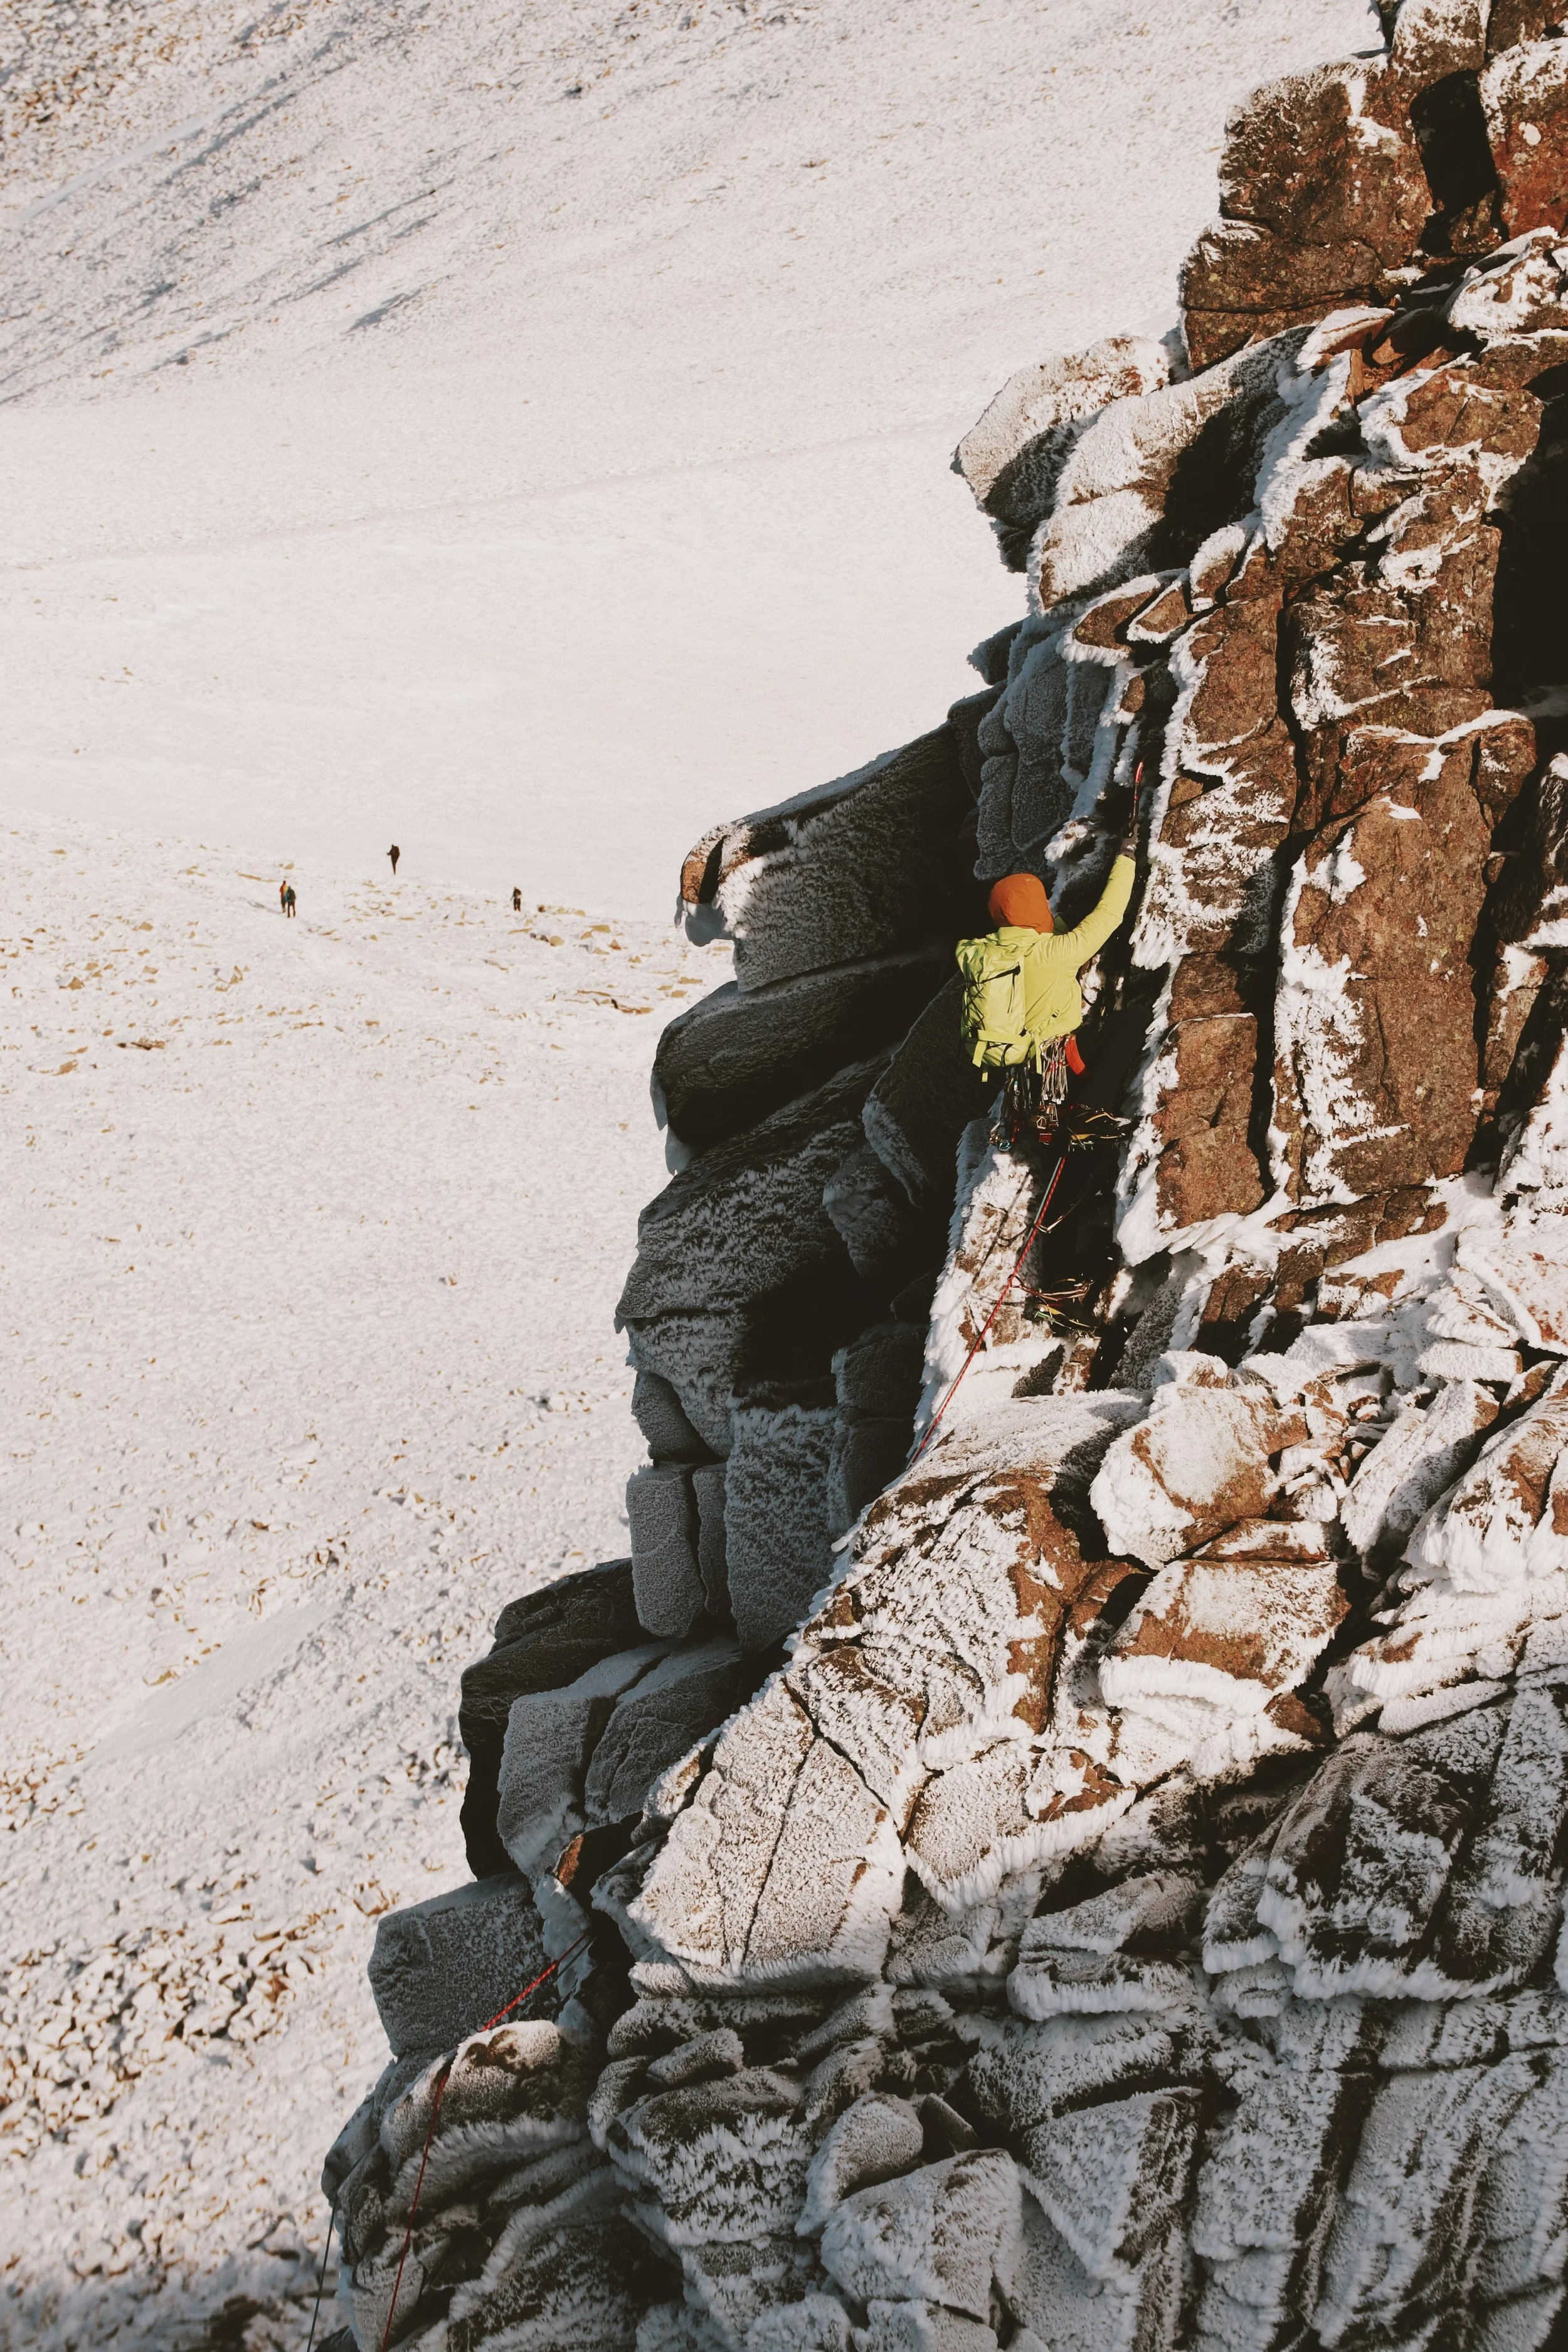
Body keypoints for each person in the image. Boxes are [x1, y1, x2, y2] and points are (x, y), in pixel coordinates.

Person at [956, 832, 1138, 1146]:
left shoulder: (984, 953)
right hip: (1060, 1065)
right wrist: (1127, 858)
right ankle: (1090, 1112)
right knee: (1129, 1024)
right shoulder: (1054, 954)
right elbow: (1109, 916)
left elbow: (1048, 934)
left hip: (1025, 1078)